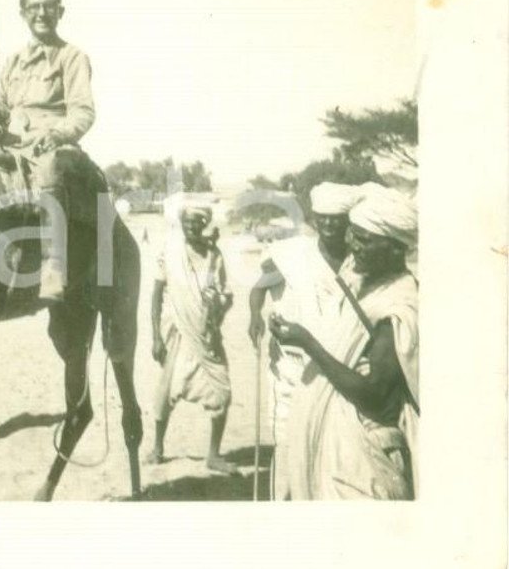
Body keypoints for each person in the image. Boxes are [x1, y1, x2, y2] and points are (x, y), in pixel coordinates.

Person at [270, 183, 418, 499]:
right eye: (352, 234)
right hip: (337, 444)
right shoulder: (362, 279)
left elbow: (376, 396)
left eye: (363, 239)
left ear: (394, 249)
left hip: (363, 452)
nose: (352, 245)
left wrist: (309, 344)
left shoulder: (397, 305)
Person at [247, 182, 362, 499]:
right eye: (322, 217)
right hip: (294, 374)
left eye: (336, 218)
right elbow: (259, 289)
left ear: (348, 220)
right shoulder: (293, 255)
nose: (328, 224)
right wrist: (255, 315)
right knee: (287, 453)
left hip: (340, 371)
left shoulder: (360, 259)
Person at [0, 0, 97, 302]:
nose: (41, 12)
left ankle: (53, 264)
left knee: (51, 168)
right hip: (11, 138)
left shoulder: (72, 57)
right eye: (33, 7)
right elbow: (3, 106)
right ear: (23, 13)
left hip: (50, 141)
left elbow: (83, 111)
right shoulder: (12, 61)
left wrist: (58, 134)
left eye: (48, 6)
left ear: (60, 12)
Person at [145, 197, 237, 474]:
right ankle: (157, 448)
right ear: (181, 224)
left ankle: (213, 455)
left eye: (196, 223)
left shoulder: (215, 257)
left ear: (204, 224)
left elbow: (225, 295)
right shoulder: (170, 253)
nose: (191, 228)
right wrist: (156, 337)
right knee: (165, 393)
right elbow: (156, 294)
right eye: (186, 223)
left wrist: (218, 302)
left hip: (206, 334)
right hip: (176, 333)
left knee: (222, 392)